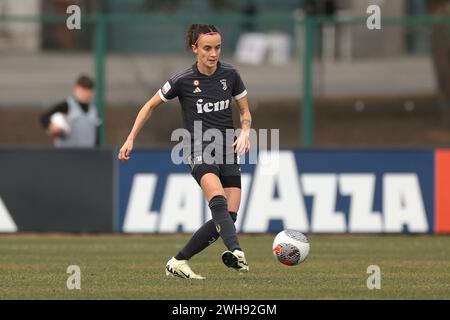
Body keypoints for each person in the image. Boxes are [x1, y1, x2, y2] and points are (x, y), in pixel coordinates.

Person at [118, 24, 252, 280]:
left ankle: (178, 261)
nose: (213, 54)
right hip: (198, 148)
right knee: (218, 201)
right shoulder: (182, 80)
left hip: (227, 150)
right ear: (195, 49)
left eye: (218, 48)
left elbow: (245, 112)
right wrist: (130, 138)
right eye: (207, 48)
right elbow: (149, 106)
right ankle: (236, 250)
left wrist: (246, 131)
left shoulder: (231, 75)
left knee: (228, 218)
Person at [40, 74, 101, 148]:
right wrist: (52, 126)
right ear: (76, 89)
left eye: (88, 90)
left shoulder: (94, 111)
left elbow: (97, 137)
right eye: (83, 89)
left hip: (88, 155)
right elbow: (44, 117)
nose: (85, 93)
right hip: (67, 155)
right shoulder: (67, 106)